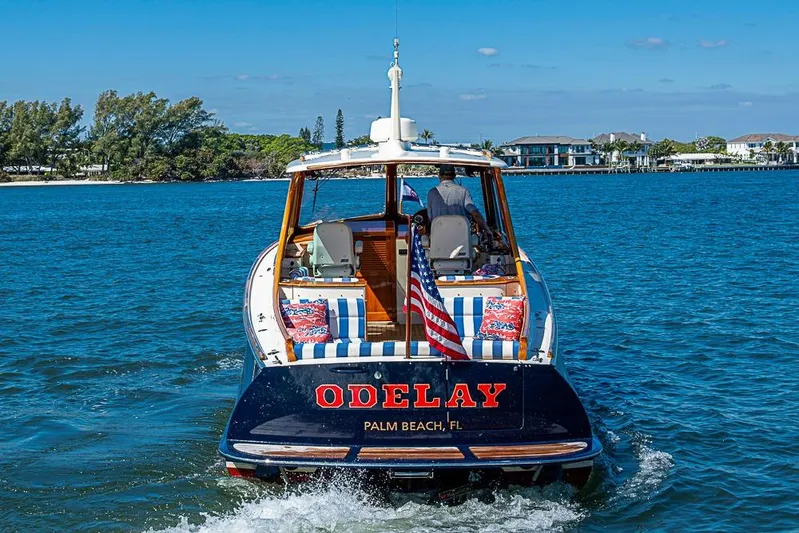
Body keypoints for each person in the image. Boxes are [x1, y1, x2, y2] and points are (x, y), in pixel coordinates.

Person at [427, 164, 490, 235]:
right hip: (461, 238)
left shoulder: (432, 192)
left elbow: (430, 216)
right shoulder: (463, 191)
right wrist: (487, 230)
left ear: (439, 176)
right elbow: (475, 214)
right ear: (454, 176)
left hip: (438, 238)